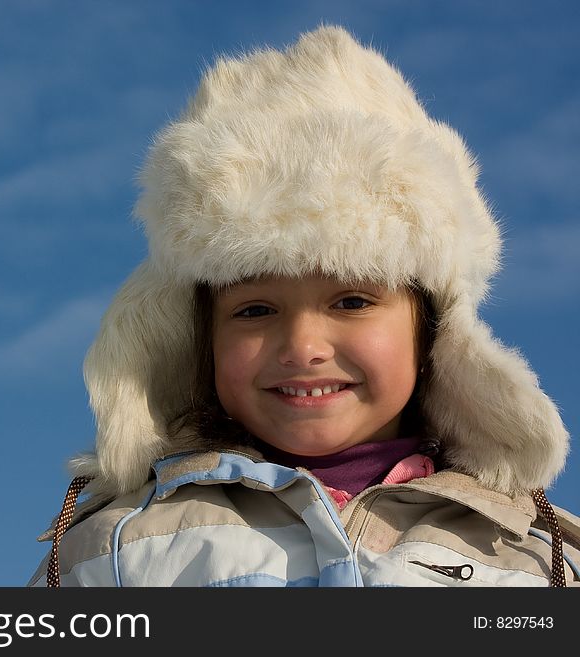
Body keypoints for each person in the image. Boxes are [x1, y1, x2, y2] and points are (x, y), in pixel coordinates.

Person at [28, 25, 580, 587]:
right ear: (201, 338)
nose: (303, 348)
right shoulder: (119, 548)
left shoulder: (533, 560)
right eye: (255, 310)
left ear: (432, 329)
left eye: (352, 300)